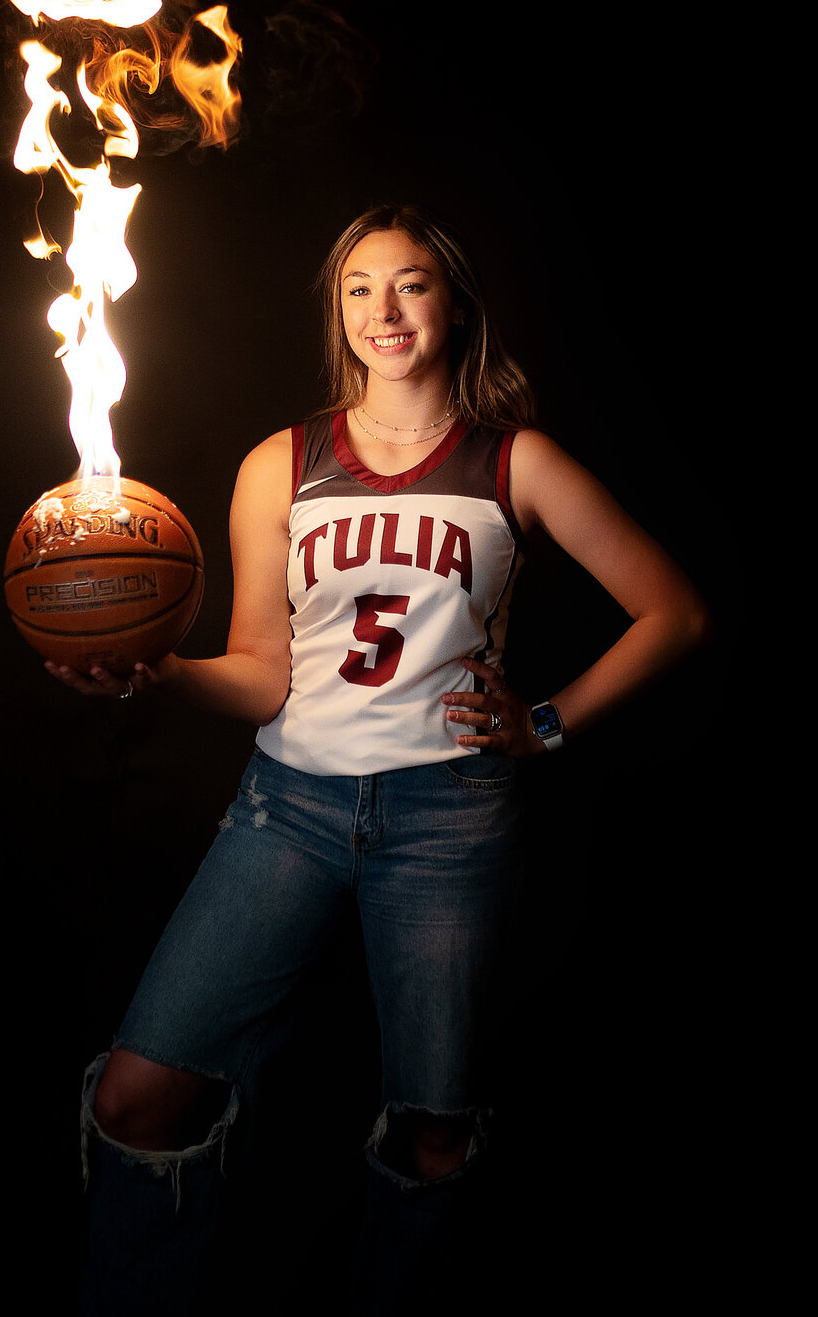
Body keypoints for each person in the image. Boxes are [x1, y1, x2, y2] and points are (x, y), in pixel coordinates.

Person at [48, 202, 713, 1313]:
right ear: (338, 312)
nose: (384, 309)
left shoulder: (516, 460)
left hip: (450, 818)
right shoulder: (285, 463)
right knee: (135, 1096)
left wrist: (542, 723)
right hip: (291, 808)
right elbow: (265, 670)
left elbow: (674, 614)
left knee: (431, 1134)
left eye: (409, 283)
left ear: (452, 302)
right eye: (359, 288)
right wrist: (158, 670)